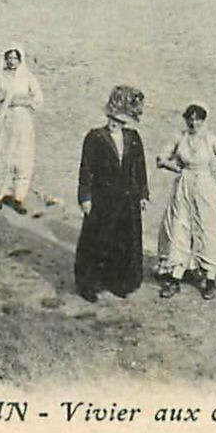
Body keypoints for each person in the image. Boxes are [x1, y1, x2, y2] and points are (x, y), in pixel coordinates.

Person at [155, 103, 216, 300]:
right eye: (190, 119)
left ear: (204, 120)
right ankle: (175, 276)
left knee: (208, 228)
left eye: (197, 119)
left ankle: (210, 278)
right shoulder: (180, 138)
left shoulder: (212, 140)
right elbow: (160, 158)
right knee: (178, 227)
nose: (193, 123)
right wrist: (177, 169)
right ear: (185, 119)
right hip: (183, 186)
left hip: (205, 187)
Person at [73, 85, 150, 302]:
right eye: (112, 118)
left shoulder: (133, 137)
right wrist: (85, 197)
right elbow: (86, 170)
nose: (114, 122)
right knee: (96, 240)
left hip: (128, 200)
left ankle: (120, 282)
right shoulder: (95, 137)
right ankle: (88, 284)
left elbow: (140, 168)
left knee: (124, 241)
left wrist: (143, 194)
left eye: (120, 120)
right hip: (102, 199)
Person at [0, 45, 44, 214]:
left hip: (22, 120)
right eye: (9, 58)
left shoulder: (28, 77)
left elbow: (38, 100)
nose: (12, 61)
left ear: (20, 60)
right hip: (4, 119)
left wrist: (20, 101)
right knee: (2, 153)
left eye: (15, 58)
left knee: (22, 156)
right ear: (5, 59)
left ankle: (18, 197)